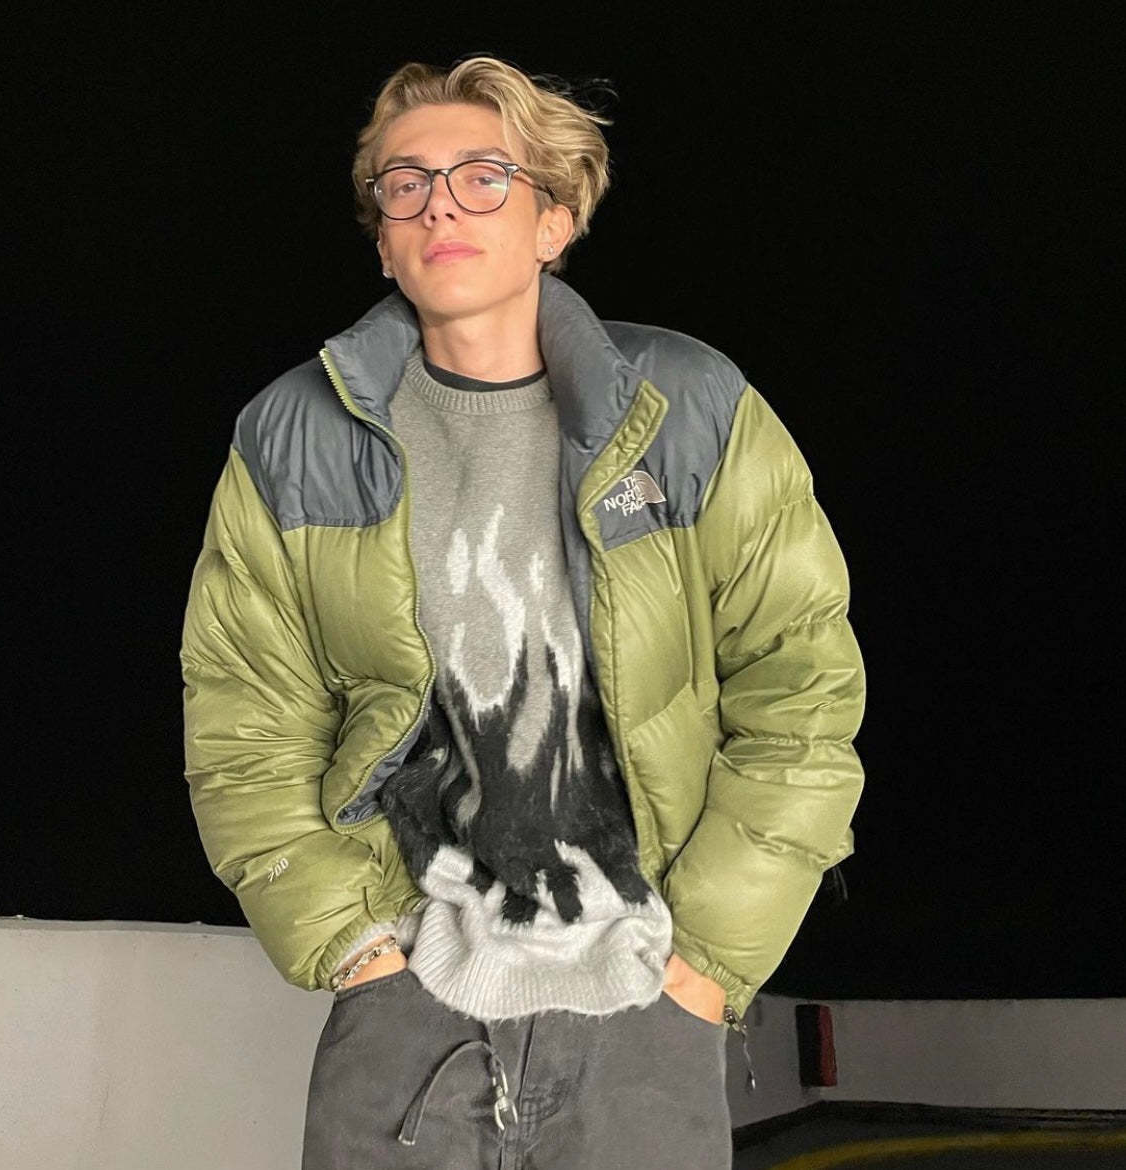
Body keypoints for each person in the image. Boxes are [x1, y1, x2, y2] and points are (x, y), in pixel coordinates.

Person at [180, 54, 866, 1170]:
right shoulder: (292, 437)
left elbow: (803, 692)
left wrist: (703, 967)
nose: (440, 204)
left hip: (647, 1001)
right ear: (383, 236)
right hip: (405, 1005)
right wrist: (356, 951)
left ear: (556, 219)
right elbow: (243, 721)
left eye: (484, 176)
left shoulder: (688, 407)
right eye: (406, 184)